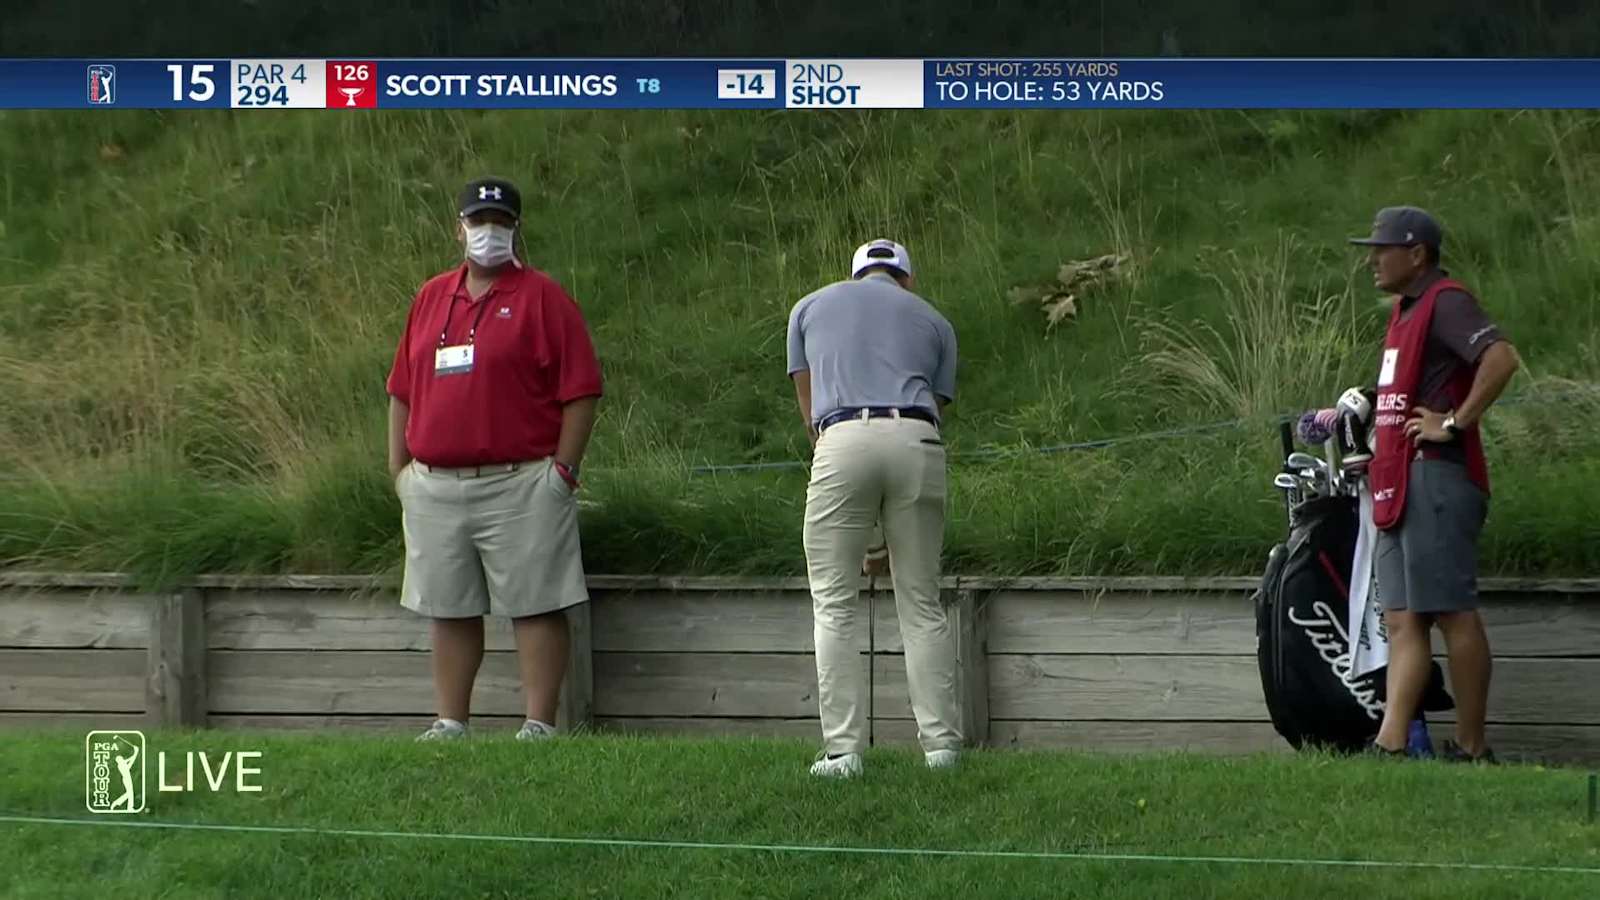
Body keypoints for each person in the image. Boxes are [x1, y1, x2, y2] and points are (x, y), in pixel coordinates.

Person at [386, 176, 602, 742]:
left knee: (536, 603)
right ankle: (451, 721)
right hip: (434, 481)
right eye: (479, 222)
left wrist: (563, 472)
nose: (489, 233)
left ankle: (538, 724)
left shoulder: (543, 298)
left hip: (521, 478)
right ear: (458, 228)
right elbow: (401, 389)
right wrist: (399, 470)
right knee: (449, 606)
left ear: (516, 230)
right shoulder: (432, 296)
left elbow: (581, 390)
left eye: (501, 223)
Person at [1348, 206, 1521, 763]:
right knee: (1401, 617)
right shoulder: (1404, 310)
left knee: (1450, 612)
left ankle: (1473, 749)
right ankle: (1390, 744)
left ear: (1417, 253)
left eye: (1383, 248)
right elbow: (1406, 393)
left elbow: (1501, 357)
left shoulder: (1447, 301)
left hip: (1438, 478)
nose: (1372, 258)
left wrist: (1453, 423)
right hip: (1398, 479)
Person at [786, 238, 963, 778]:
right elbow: (938, 406)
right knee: (921, 603)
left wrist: (866, 537)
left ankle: (843, 753)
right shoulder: (935, 320)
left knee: (834, 602)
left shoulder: (809, 308)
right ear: (905, 279)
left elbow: (808, 406)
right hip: (917, 438)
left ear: (856, 275)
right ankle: (941, 749)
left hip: (840, 436)